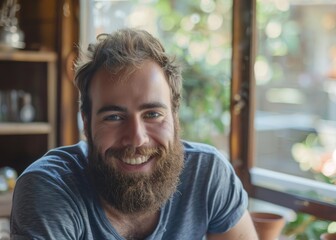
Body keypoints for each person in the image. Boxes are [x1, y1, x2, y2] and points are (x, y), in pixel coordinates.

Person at [10, 28, 258, 240]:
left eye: (152, 114)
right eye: (114, 117)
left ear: (174, 115)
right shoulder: (50, 187)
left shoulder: (207, 175)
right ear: (86, 124)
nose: (137, 138)